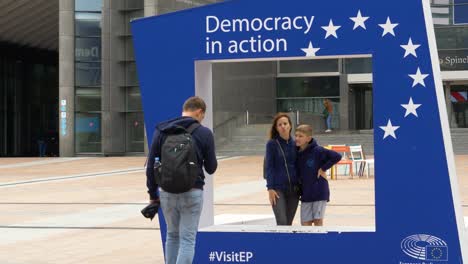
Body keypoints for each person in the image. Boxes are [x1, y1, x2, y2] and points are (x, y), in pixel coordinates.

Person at [146, 96, 217, 264]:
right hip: (193, 191)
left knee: (172, 236)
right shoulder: (204, 133)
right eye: (203, 116)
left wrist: (152, 194)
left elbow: (150, 167)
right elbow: (211, 168)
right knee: (187, 240)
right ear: (199, 112)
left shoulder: (162, 130)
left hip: (166, 192)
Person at [295, 124, 341, 226]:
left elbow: (337, 156)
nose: (297, 138)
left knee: (318, 222)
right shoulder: (296, 152)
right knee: (305, 224)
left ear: (308, 138)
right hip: (305, 194)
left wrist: (323, 168)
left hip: (319, 192)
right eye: (296, 135)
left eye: (300, 136)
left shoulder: (318, 150)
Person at [265, 113, 300, 225]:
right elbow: (269, 167)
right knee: (282, 222)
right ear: (276, 128)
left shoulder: (296, 143)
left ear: (290, 126)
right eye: (280, 124)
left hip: (294, 190)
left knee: (288, 223)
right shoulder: (272, 144)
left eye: (285, 123)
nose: (283, 126)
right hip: (278, 190)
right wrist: (270, 188)